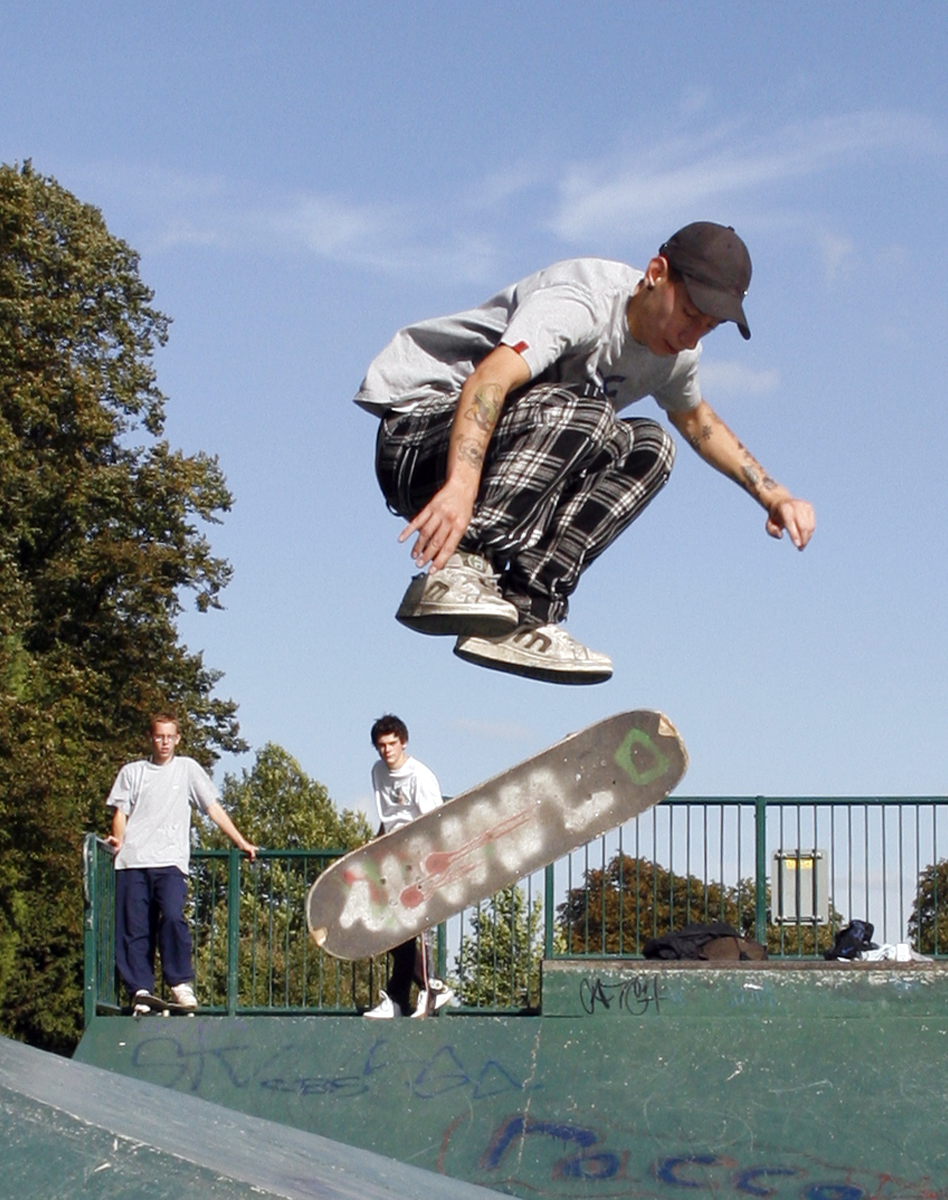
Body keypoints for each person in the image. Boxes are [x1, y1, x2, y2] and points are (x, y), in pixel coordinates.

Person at [356, 221, 816, 684]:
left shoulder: (675, 356)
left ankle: (528, 610)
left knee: (651, 448)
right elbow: (488, 381)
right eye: (691, 313)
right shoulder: (581, 301)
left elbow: (697, 421)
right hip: (419, 437)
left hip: (500, 461)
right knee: (592, 415)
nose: (692, 336)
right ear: (656, 273)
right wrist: (460, 485)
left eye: (708, 327)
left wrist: (774, 496)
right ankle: (462, 565)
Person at [104, 714, 257, 1014]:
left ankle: (179, 984)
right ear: (151, 737)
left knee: (174, 917)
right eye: (159, 736)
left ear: (178, 739)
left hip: (170, 862)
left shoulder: (187, 769)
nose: (164, 742)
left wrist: (240, 841)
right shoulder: (133, 772)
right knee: (135, 928)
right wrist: (118, 840)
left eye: (169, 737)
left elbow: (212, 808)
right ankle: (140, 990)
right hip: (133, 861)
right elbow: (120, 813)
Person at [362, 714, 453, 1018]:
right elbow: (390, 816)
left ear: (403, 742)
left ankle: (423, 993)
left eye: (391, 744)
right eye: (381, 746)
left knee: (414, 926)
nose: (386, 751)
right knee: (390, 928)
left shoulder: (420, 776)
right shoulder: (378, 772)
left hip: (419, 857)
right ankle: (413, 993)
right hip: (392, 857)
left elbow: (433, 822)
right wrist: (375, 842)